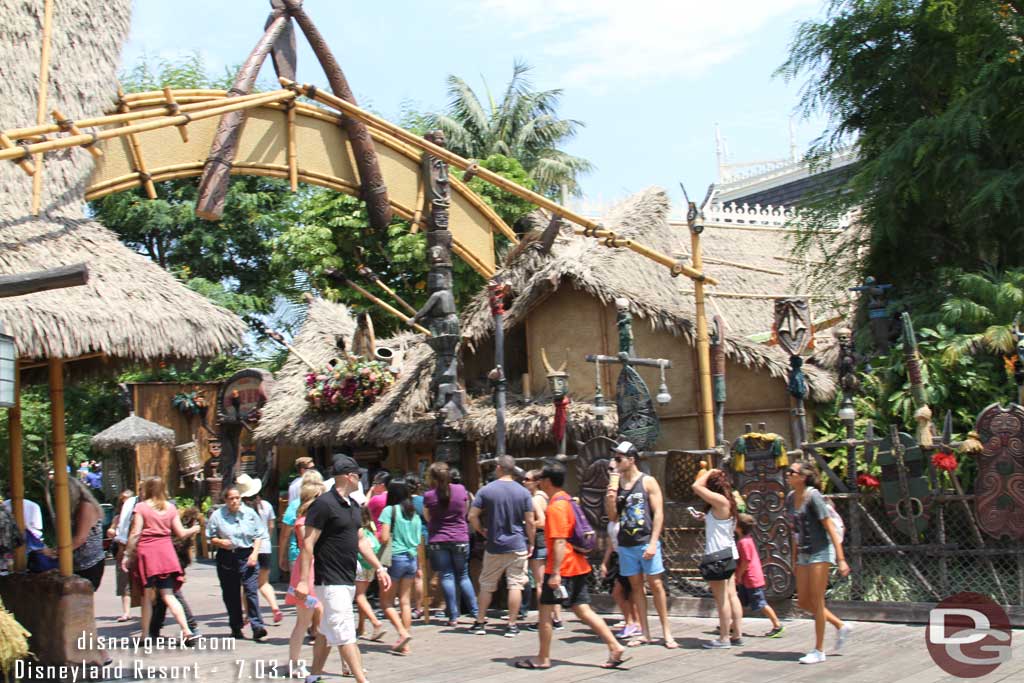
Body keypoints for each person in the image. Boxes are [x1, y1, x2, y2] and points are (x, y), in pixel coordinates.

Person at [514, 461, 629, 670]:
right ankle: (614, 645)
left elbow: (559, 541)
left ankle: (543, 657)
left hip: (562, 567)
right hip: (577, 565)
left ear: (547, 481)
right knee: (583, 609)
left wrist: (555, 573)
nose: (538, 483)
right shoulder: (567, 499)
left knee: (545, 612)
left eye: (540, 479)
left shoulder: (557, 506)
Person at [293, 454, 391, 683]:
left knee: (327, 631)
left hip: (347, 577)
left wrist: (379, 567)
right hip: (329, 579)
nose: (362, 481)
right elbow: (308, 543)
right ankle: (361, 680)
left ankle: (314, 675)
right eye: (359, 476)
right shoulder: (323, 504)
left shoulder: (354, 506)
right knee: (345, 632)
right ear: (349, 477)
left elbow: (360, 541)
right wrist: (302, 580)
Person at [606, 441, 677, 648]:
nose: (615, 462)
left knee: (656, 585)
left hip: (645, 540)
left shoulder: (647, 482)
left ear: (631, 460)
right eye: (615, 458)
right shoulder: (616, 485)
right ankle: (645, 632)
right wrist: (610, 495)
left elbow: (659, 513)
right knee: (636, 588)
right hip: (626, 543)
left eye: (619, 458)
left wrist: (654, 542)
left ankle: (666, 632)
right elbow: (612, 517)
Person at [786, 461, 851, 664]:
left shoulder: (813, 496)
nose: (787, 474)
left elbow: (829, 527)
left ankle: (819, 650)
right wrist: (794, 558)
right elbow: (795, 531)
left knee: (817, 600)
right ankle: (840, 625)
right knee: (803, 601)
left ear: (803, 477)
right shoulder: (790, 498)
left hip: (820, 552)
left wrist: (840, 559)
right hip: (804, 553)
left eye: (791, 472)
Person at [121, 476, 200, 643]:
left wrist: (127, 554)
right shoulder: (170, 508)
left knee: (147, 596)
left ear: (148, 489)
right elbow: (180, 533)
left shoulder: (141, 507)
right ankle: (187, 631)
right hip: (166, 553)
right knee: (169, 595)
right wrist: (194, 528)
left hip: (148, 554)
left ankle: (145, 635)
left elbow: (135, 533)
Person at [469, 455, 535, 637]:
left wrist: (481, 530)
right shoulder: (523, 492)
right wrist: (531, 542)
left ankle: (480, 622)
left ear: (499, 468)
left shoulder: (486, 490)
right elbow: (530, 521)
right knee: (515, 585)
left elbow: (472, 515)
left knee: (487, 584)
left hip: (494, 544)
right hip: (517, 543)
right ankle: (512, 625)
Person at [206, 485, 269, 640]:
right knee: (231, 593)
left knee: (250, 590)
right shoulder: (217, 516)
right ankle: (236, 626)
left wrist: (254, 554)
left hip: (247, 554)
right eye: (231, 498)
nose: (235, 501)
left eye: (237, 498)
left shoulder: (249, 513)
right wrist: (220, 542)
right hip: (227, 556)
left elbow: (259, 535)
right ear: (225, 500)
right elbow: (210, 536)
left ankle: (257, 626)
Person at [692, 468, 742, 649]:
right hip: (728, 553)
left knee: (722, 600)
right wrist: (705, 518)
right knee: (731, 595)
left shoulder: (720, 501)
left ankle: (724, 638)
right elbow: (719, 523)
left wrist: (709, 472)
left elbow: (696, 486)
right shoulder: (727, 502)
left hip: (717, 555)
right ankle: (737, 633)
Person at [423, 461, 477, 627]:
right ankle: (476, 612)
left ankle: (453, 616)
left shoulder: (429, 495)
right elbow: (465, 511)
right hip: (460, 537)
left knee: (446, 575)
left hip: (438, 538)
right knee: (463, 575)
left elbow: (428, 518)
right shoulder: (461, 490)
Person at [378, 478, 423, 655]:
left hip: (395, 558)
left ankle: (402, 633)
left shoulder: (390, 510)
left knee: (386, 602)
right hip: (411, 559)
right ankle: (405, 644)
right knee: (405, 601)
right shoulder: (415, 514)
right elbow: (419, 541)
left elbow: (384, 537)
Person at [286, 478, 326, 672]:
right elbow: (309, 545)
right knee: (304, 620)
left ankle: (346, 663)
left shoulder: (313, 520)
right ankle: (294, 663)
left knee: (326, 618)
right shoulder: (303, 522)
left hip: (318, 569)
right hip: (307, 572)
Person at [149, 506, 202, 640]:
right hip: (174, 562)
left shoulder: (178, 530)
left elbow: (179, 550)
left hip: (169, 563)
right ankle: (154, 629)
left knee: (171, 595)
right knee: (164, 597)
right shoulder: (185, 530)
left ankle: (191, 626)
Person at [522, 468, 563, 631]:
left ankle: (544, 619)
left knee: (540, 583)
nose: (524, 482)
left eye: (527, 479)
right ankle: (557, 618)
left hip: (539, 541)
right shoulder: (546, 497)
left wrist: (526, 524)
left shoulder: (535, 500)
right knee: (550, 582)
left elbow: (542, 521)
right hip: (549, 541)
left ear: (537, 482)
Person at [240, 475, 283, 625]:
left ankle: (248, 614)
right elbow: (271, 526)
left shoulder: (243, 510)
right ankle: (275, 607)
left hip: (250, 550)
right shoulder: (266, 505)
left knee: (247, 585)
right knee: (264, 582)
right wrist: (267, 540)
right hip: (265, 547)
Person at [735, 513, 784, 638]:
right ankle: (732, 625)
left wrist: (739, 575)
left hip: (751, 579)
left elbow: (746, 561)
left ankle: (777, 625)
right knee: (740, 602)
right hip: (749, 579)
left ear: (739, 527)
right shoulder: (747, 540)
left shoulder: (743, 542)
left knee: (761, 603)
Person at [600, 517, 640, 639]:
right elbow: (611, 545)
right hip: (617, 558)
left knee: (625, 591)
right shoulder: (611, 523)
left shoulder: (627, 519)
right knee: (621, 592)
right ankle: (631, 621)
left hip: (628, 557)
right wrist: (604, 563)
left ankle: (634, 622)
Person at [280, 469, 325, 577]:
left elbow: (285, 535)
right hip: (323, 556)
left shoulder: (295, 505)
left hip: (298, 556)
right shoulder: (326, 504)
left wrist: (281, 557)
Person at [354, 506, 387, 641]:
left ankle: (375, 622)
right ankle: (361, 627)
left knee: (360, 596)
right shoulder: (371, 530)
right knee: (363, 596)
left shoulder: (357, 531)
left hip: (360, 564)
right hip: (370, 566)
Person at [68, 478, 106, 591]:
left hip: (88, 563)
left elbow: (80, 538)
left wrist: (56, 553)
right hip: (83, 562)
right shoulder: (79, 507)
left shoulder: (85, 506)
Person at [107, 489, 135, 622]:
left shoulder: (138, 515)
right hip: (121, 550)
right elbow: (111, 530)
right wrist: (112, 531)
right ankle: (126, 612)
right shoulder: (118, 518)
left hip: (135, 550)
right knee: (124, 583)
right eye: (123, 501)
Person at [366, 471, 391, 539]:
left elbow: (364, 507)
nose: (373, 486)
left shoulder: (377, 499)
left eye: (375, 483)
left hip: (380, 535)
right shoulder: (394, 496)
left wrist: (370, 491)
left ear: (382, 485)